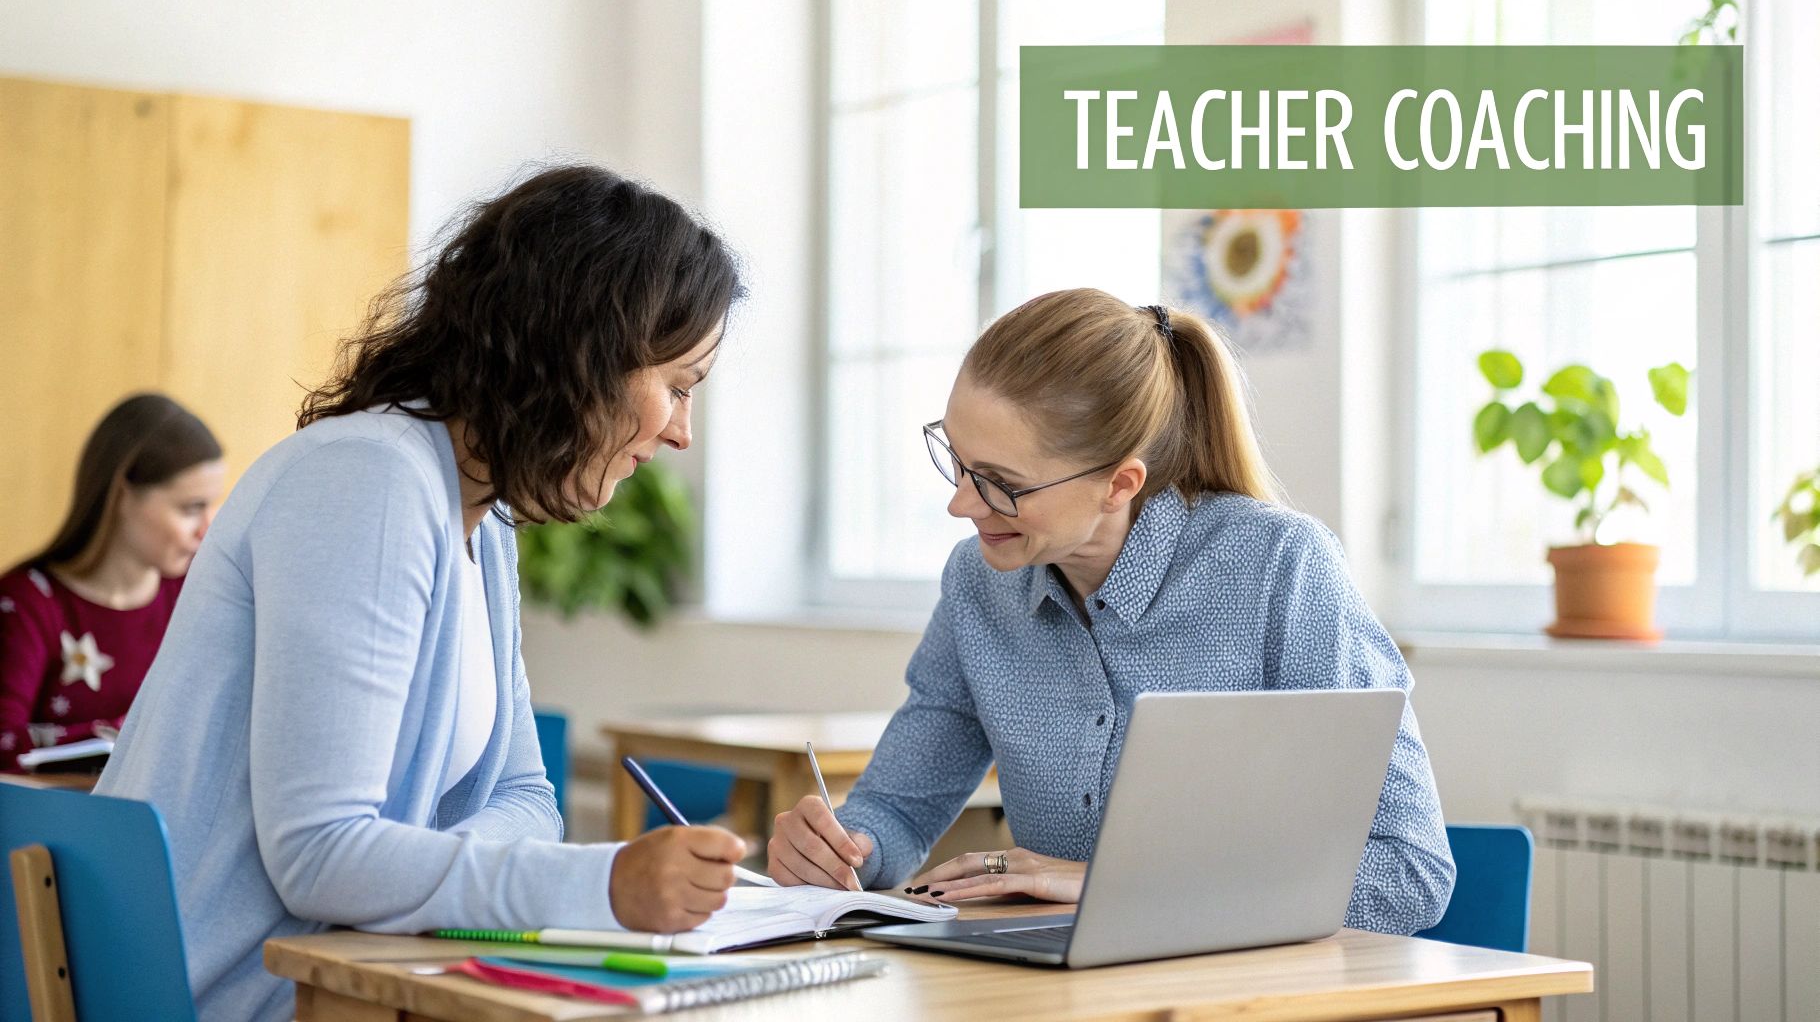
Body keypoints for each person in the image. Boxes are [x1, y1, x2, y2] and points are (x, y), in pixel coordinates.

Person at [97, 165, 748, 1021]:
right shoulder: (367, 481)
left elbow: (528, 798)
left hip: (351, 978)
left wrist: (419, 873)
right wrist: (604, 884)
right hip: (228, 998)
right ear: (585, 347)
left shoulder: (483, 519)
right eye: (678, 386)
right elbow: (323, 856)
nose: (681, 432)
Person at [768, 288, 1455, 934]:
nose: (962, 505)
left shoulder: (1282, 567)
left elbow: (1409, 874)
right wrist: (845, 846)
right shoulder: (979, 584)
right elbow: (898, 806)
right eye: (958, 461)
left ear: (1120, 483)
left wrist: (1107, 885)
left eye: (1001, 485)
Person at [0, 394, 224, 772]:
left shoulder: (198, 594)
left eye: (212, 506)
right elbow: (5, 744)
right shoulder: (28, 603)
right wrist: (127, 735)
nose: (206, 528)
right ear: (123, 496)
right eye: (190, 508)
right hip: (49, 830)